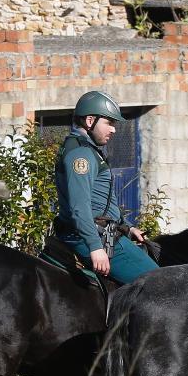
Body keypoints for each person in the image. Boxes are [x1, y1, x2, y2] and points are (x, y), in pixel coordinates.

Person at [53, 91, 158, 284]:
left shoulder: (87, 149)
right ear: (90, 120)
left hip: (105, 232)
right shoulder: (81, 155)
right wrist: (95, 247)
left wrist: (128, 226)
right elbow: (79, 208)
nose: (114, 130)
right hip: (93, 237)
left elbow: (101, 202)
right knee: (161, 283)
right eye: (109, 123)